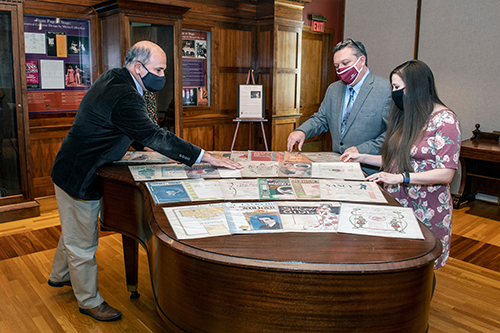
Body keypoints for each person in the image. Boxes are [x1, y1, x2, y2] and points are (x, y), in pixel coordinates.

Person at [48, 40, 242, 322]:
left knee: (73, 227)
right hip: (79, 174)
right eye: (159, 70)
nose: (162, 77)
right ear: (138, 68)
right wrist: (205, 157)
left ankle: (60, 275)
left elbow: (123, 126)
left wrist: (143, 144)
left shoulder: (115, 77)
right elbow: (153, 134)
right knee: (82, 242)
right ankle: (88, 300)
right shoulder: (125, 95)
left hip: (69, 167)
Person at [340, 59, 461, 269]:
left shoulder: (446, 121)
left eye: (397, 87)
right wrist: (362, 157)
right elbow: (394, 162)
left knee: (421, 270)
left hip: (426, 207)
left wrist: (402, 177)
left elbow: (446, 173)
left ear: (415, 87)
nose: (394, 92)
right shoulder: (409, 116)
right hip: (398, 202)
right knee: (396, 262)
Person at [287, 39, 392, 174]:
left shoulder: (385, 89)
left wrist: (361, 150)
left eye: (345, 63)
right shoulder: (334, 89)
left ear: (362, 60)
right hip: (337, 166)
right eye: (337, 66)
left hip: (368, 169)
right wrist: (302, 131)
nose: (341, 69)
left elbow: (391, 134)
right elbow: (322, 118)